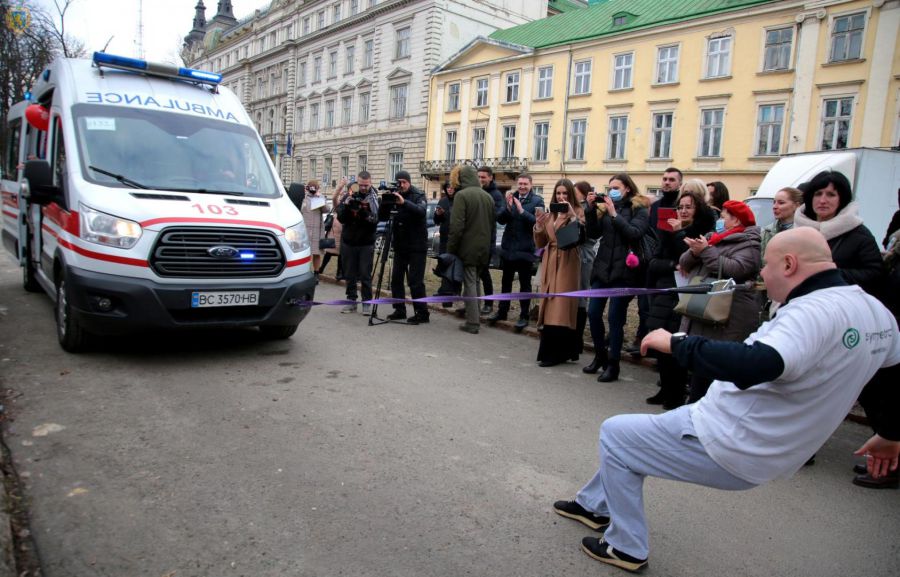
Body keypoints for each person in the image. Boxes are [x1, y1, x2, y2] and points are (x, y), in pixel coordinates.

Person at [552, 227, 900, 573]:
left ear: (790, 264)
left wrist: (676, 343)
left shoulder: (811, 313)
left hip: (730, 438)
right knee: (635, 441)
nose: (762, 273)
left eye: (767, 264)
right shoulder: (874, 311)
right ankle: (593, 505)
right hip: (744, 432)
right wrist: (890, 433)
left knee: (616, 434)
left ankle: (625, 546)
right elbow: (887, 375)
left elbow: (757, 364)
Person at [678, 199, 761, 402]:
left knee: (716, 374)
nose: (720, 220)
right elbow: (684, 263)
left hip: (727, 316)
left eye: (723, 216)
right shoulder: (712, 238)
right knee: (700, 370)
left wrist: (706, 251)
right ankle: (693, 414)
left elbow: (737, 269)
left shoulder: (749, 243)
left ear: (736, 219)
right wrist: (695, 250)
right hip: (703, 311)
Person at [645, 182, 715, 409]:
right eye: (681, 206)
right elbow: (654, 262)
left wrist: (678, 235)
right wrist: (673, 265)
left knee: (676, 345)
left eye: (689, 207)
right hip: (666, 290)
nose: (683, 211)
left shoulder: (701, 233)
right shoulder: (667, 231)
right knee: (661, 343)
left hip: (686, 293)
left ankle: (676, 393)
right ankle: (664, 389)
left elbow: (690, 257)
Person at [582, 173, 650, 382]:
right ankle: (600, 357)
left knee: (615, 319)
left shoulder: (639, 209)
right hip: (603, 269)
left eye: (616, 187)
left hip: (624, 272)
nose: (612, 190)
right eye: (610, 187)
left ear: (627, 188)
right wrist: (591, 209)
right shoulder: (605, 207)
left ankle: (613, 365)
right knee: (593, 314)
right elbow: (593, 233)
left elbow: (634, 233)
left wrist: (614, 214)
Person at [793, 170, 885, 298]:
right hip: (800, 302)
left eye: (831, 194)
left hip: (841, 305)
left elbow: (875, 274)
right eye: (818, 194)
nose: (823, 200)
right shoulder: (796, 231)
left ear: (842, 199)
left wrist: (831, 273)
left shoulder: (859, 234)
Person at [625, 168, 684, 357]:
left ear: (679, 183)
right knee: (646, 306)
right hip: (651, 261)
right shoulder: (657, 206)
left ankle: (664, 350)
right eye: (665, 179)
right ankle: (645, 340)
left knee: (668, 312)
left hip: (674, 264)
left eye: (671, 180)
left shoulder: (679, 205)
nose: (667, 182)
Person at [534, 179, 585, 366]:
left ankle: (557, 353)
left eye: (565, 193)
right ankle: (552, 352)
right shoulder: (550, 215)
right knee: (549, 304)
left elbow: (579, 238)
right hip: (550, 260)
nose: (561, 197)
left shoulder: (577, 212)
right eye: (558, 193)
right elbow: (540, 243)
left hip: (568, 261)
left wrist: (571, 217)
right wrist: (539, 226)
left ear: (570, 195)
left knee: (561, 305)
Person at [488, 173, 545, 332]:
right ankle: (502, 311)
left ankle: (524, 315)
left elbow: (538, 223)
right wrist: (507, 207)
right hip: (508, 249)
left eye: (525, 184)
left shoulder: (537, 201)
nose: (522, 186)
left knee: (524, 285)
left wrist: (521, 211)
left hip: (525, 250)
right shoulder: (511, 197)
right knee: (506, 283)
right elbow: (500, 219)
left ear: (531, 185)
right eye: (520, 183)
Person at [447, 165, 496, 334]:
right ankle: (475, 315)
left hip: (467, 248)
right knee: (475, 281)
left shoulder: (462, 195)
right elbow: (492, 225)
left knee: (469, 283)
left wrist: (451, 250)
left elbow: (457, 227)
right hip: (483, 248)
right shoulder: (487, 197)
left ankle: (473, 322)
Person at [386, 170, 430, 325]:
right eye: (399, 182)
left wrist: (404, 202)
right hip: (400, 244)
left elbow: (421, 211)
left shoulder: (418, 194)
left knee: (415, 281)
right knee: (396, 279)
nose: (402, 185)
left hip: (417, 245)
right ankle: (399, 309)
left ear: (409, 182)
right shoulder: (395, 195)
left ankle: (422, 312)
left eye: (404, 182)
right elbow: (384, 215)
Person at [336, 171, 379, 314]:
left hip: (366, 242)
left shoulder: (374, 198)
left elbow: (376, 220)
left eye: (366, 185)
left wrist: (364, 213)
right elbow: (341, 218)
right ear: (357, 183)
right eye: (361, 185)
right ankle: (351, 301)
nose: (363, 188)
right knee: (350, 274)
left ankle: (366, 303)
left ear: (370, 183)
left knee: (365, 274)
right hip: (349, 241)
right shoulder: (349, 195)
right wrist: (349, 208)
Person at [574, 181, 598, 357]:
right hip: (573, 254)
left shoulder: (590, 209)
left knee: (582, 294)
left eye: (575, 192)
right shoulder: (573, 207)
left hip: (585, 255)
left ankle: (578, 338)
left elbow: (590, 234)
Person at [477, 166, 505, 315]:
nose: (481, 180)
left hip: (487, 240)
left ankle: (488, 303)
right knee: (472, 273)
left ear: (490, 178)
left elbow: (500, 214)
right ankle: (473, 302)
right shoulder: (476, 191)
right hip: (473, 239)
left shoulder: (496, 195)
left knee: (483, 272)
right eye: (479, 177)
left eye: (483, 177)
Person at [432, 181, 458, 308]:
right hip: (444, 238)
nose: (450, 189)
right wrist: (438, 214)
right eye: (448, 187)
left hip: (456, 238)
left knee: (453, 267)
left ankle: (452, 294)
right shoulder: (443, 201)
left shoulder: (460, 199)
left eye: (452, 187)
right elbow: (436, 220)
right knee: (444, 264)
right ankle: (444, 293)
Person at [759, 186, 803, 259]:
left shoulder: (805, 232)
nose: (774, 206)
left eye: (781, 203)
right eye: (774, 202)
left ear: (796, 206)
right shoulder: (766, 232)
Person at [319, 179, 345, 279]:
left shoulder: (348, 205)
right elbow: (334, 197)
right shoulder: (337, 205)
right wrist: (340, 187)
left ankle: (339, 273)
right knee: (329, 253)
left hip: (343, 235)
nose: (343, 196)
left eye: (344, 195)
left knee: (341, 255)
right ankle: (321, 268)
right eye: (342, 195)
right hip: (333, 234)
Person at [299, 179, 327, 273]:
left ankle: (316, 273)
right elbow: (300, 209)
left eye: (314, 188)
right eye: (311, 187)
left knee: (316, 253)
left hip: (317, 230)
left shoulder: (320, 197)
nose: (312, 189)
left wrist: (319, 198)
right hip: (305, 230)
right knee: (304, 253)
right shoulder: (303, 197)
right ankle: (305, 272)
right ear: (307, 188)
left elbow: (327, 209)